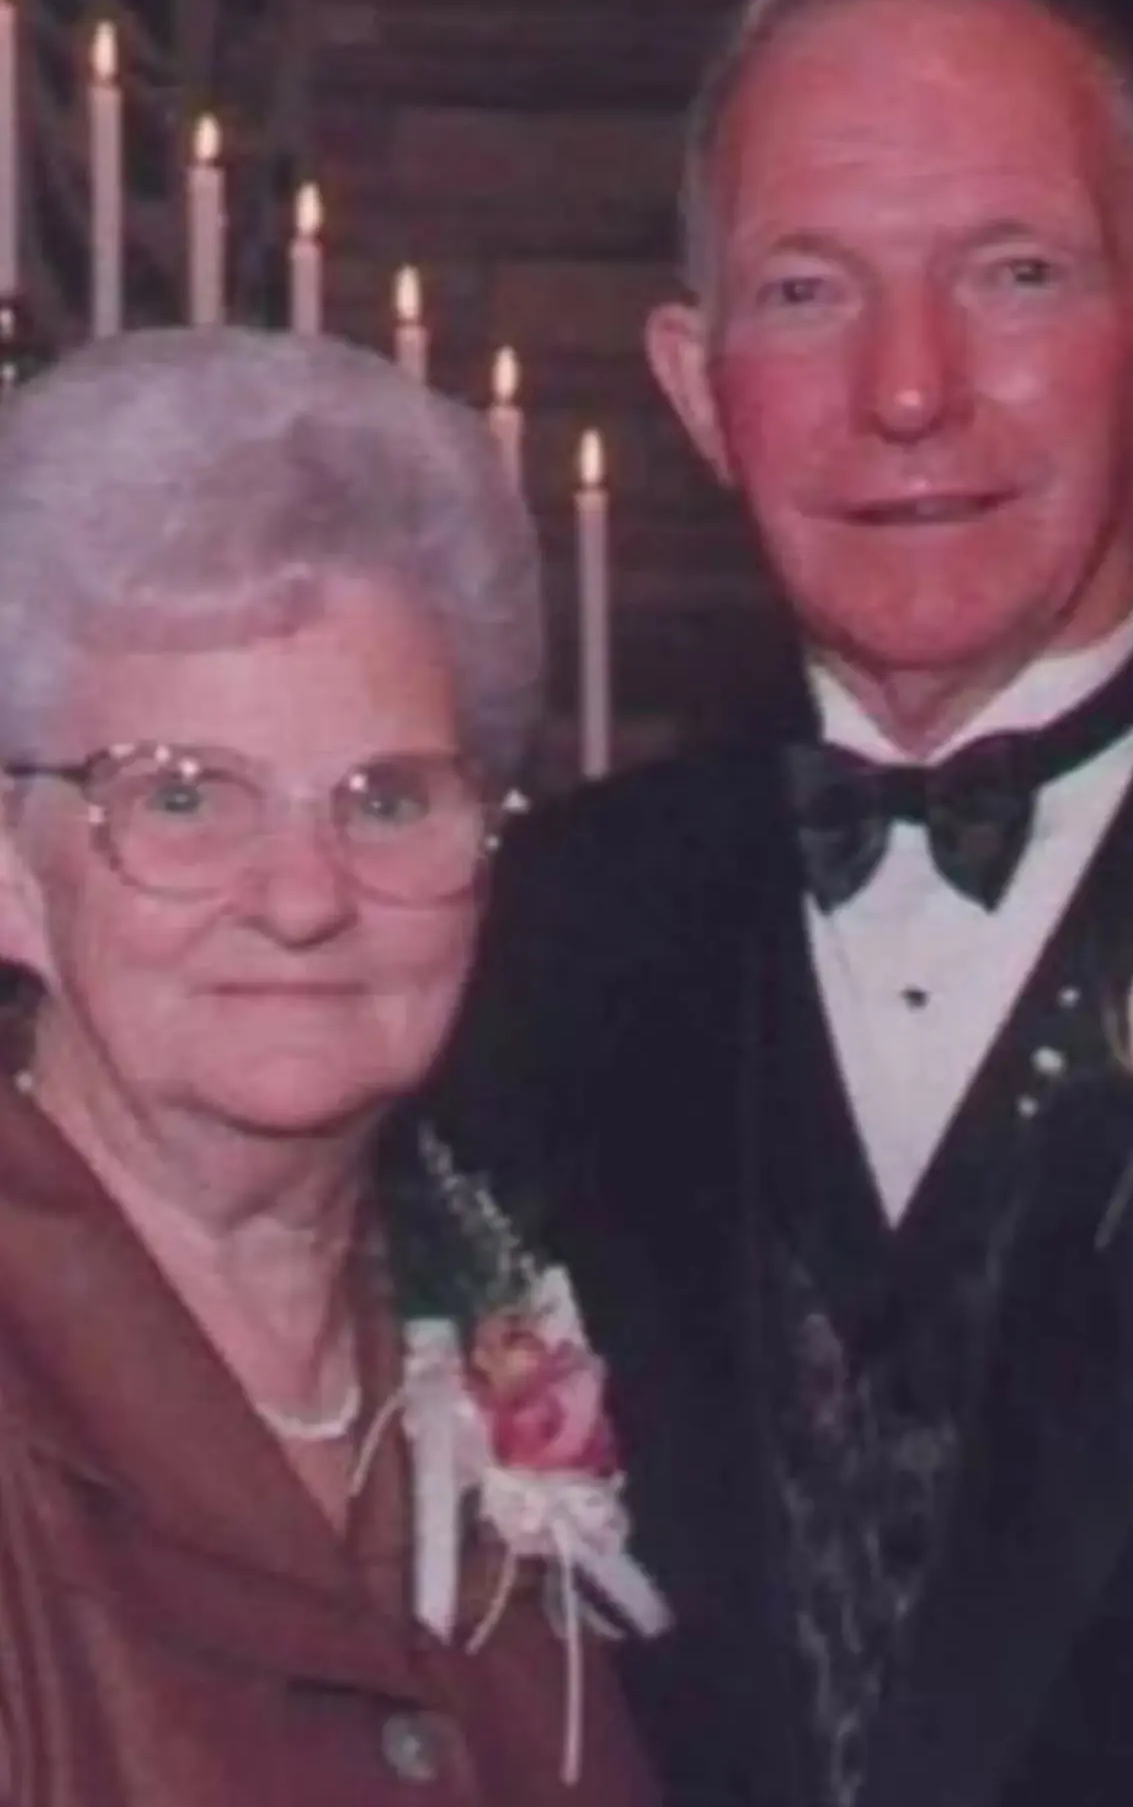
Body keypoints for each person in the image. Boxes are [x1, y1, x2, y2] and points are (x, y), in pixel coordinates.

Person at [432, 0, 1133, 1805]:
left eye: (1013, 274)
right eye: (806, 291)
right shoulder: (516, 948)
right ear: (697, 386)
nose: (906, 390)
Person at [0, 325, 663, 1807]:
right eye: (185, 798)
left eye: (387, 799)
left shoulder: (494, 1343)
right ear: (12, 870)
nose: (303, 898)